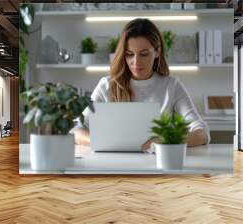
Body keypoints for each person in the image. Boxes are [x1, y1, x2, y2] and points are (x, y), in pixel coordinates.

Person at [72, 18, 210, 151]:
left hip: (156, 166)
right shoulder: (106, 85)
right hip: (113, 164)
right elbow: (76, 129)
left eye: (144, 54)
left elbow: (202, 133)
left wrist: (165, 142)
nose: (136, 62)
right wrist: (100, 142)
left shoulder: (171, 86)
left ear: (157, 51)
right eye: (129, 54)